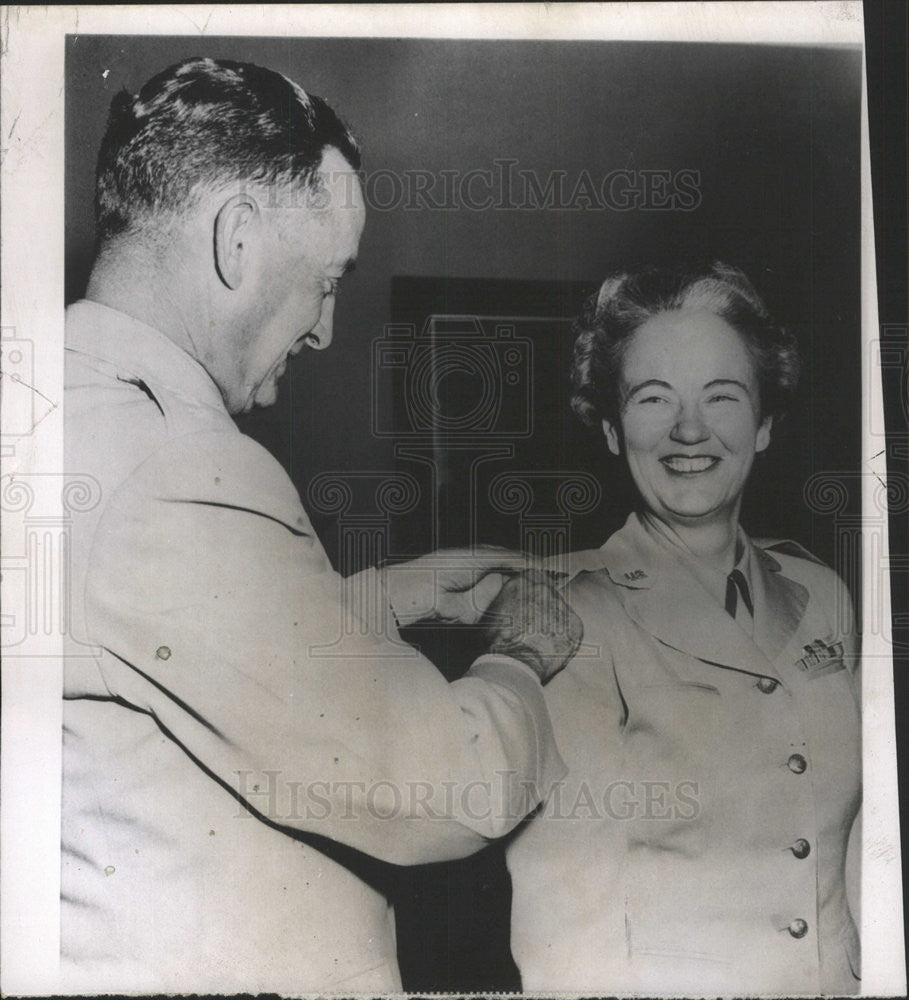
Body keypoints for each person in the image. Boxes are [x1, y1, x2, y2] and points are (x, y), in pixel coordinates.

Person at [63, 57, 579, 994]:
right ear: (238, 241)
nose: (326, 330)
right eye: (328, 280)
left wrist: (386, 599)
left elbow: (181, 646)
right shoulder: (179, 468)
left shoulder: (66, 414)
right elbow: (442, 788)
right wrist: (518, 655)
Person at [505, 261, 861, 995]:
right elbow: (566, 931)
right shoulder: (567, 613)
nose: (689, 429)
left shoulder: (822, 595)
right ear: (609, 428)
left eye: (721, 396)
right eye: (653, 398)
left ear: (762, 424)